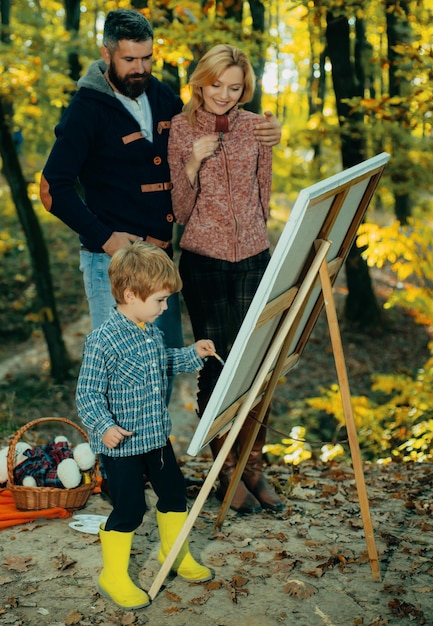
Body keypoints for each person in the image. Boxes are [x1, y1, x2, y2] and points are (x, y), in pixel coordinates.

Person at [39, 8, 281, 340]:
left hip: (162, 258)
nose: (140, 69)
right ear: (106, 54)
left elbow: (205, 124)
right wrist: (106, 239)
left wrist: (266, 131)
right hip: (113, 263)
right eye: (129, 59)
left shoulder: (161, 93)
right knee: (128, 377)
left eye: (147, 58)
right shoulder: (86, 109)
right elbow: (53, 190)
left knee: (162, 372)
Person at [168, 44, 284, 515]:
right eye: (217, 85)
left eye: (235, 88)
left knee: (259, 362)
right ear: (201, 82)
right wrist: (193, 163)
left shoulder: (256, 126)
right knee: (218, 365)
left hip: (255, 257)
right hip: (204, 262)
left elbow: (264, 194)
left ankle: (252, 469)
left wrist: (272, 140)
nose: (225, 95)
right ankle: (224, 471)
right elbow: (178, 210)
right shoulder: (179, 129)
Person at [75, 242, 216, 610]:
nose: (165, 307)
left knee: (174, 495)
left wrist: (191, 354)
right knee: (131, 509)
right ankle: (113, 575)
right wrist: (104, 426)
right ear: (130, 294)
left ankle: (174, 553)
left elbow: (163, 362)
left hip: (156, 438)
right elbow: (87, 394)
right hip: (121, 448)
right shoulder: (102, 341)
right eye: (160, 300)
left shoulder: (149, 330)